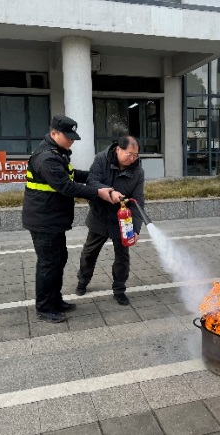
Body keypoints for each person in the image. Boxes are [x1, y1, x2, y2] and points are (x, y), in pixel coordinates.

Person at [22, 115, 123, 323]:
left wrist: (94, 177)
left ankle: (55, 300)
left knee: (59, 260)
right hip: (43, 221)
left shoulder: (56, 153)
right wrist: (98, 192)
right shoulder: (46, 158)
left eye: (73, 137)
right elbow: (66, 186)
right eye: (67, 137)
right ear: (53, 133)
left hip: (52, 219)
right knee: (49, 264)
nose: (71, 141)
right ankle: (45, 307)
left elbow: (71, 174)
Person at [75, 136, 145, 306]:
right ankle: (82, 281)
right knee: (89, 252)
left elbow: (138, 201)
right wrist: (109, 192)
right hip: (99, 215)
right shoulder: (101, 159)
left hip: (122, 219)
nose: (132, 158)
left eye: (135, 155)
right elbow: (91, 181)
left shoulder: (137, 171)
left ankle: (119, 289)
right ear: (118, 149)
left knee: (122, 256)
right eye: (129, 154)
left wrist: (135, 229)